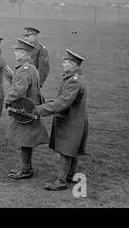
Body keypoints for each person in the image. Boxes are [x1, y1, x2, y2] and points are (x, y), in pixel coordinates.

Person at [33, 49, 88, 191]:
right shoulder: (72, 78)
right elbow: (61, 99)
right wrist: (45, 105)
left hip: (71, 121)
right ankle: (70, 175)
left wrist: (41, 109)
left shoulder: (74, 81)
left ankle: (61, 181)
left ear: (74, 65)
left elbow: (63, 102)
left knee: (66, 149)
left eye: (66, 62)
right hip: (73, 119)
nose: (63, 64)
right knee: (71, 149)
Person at [4, 38, 49, 179]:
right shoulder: (32, 67)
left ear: (23, 53)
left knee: (24, 140)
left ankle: (25, 170)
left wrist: (7, 100)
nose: (15, 54)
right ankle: (26, 168)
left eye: (17, 51)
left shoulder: (24, 70)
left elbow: (19, 90)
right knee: (27, 140)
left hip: (24, 111)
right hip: (31, 109)